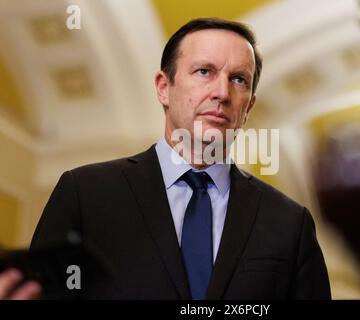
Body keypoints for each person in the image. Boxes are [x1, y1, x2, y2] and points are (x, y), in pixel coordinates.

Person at [30, 17, 331, 299]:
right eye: (205, 72)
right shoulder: (85, 194)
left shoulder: (289, 223)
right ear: (164, 88)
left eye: (238, 79)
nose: (222, 93)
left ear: (249, 106)